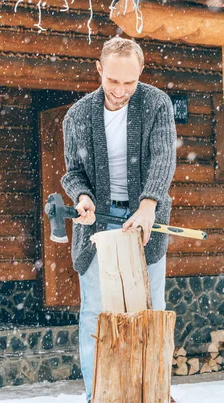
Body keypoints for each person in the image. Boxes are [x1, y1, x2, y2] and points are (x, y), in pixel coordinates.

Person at [60, 37, 177, 402]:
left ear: (140, 73)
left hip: (145, 217)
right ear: (99, 70)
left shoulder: (157, 104)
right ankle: (100, 394)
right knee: (97, 310)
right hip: (98, 221)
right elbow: (74, 172)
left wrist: (148, 206)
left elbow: (162, 159)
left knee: (149, 309)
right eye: (113, 81)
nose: (121, 90)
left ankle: (151, 393)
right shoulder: (78, 115)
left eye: (129, 82)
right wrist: (83, 199)